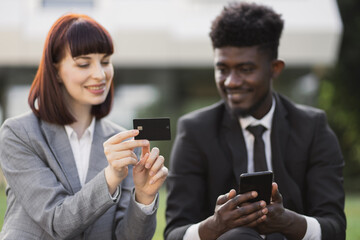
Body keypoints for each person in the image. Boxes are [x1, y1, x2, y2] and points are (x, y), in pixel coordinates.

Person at [165, 2, 346, 240]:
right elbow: (174, 232)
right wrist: (215, 225)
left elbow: (334, 229)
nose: (230, 81)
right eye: (222, 69)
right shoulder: (195, 131)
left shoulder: (312, 128)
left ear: (275, 69)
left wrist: (287, 221)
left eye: (245, 69)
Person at [0, 13, 168, 239]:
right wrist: (111, 176)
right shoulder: (19, 134)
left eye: (106, 61)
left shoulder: (123, 141)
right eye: (83, 63)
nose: (100, 74)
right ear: (56, 70)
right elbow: (57, 221)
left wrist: (144, 198)